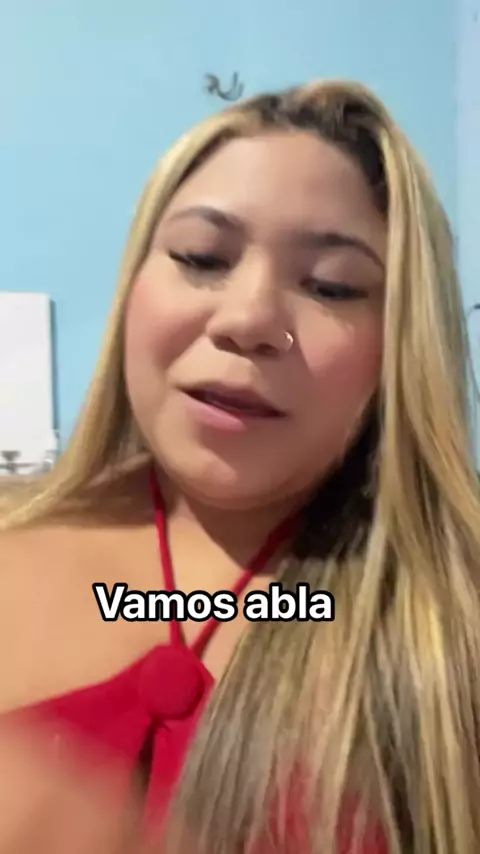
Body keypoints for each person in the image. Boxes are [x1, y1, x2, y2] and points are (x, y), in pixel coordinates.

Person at [0, 78, 479, 854]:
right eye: (201, 257)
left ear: (400, 346)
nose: (250, 319)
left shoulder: (455, 623)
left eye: (331, 286)